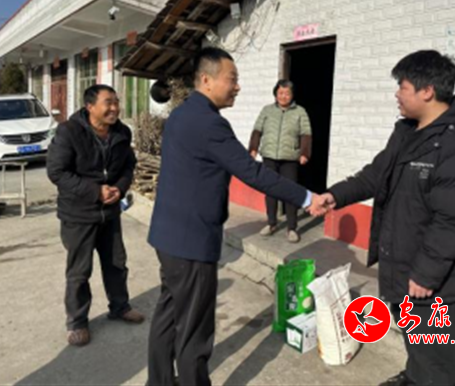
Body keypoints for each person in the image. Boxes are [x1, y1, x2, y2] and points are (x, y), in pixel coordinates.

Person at [310, 50, 455, 386]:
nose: (397, 94)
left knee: (436, 358)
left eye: (403, 87)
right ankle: (414, 376)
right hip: (406, 263)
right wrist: (335, 195)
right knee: (416, 338)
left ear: (427, 91)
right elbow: (376, 174)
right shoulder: (407, 133)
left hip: (441, 280)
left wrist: (426, 272)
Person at [146, 47, 321, 386]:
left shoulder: (181, 114)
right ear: (207, 80)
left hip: (168, 237)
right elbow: (252, 173)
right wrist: (306, 197)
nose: (237, 86)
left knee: (168, 314)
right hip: (192, 241)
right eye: (233, 79)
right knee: (194, 331)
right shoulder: (210, 123)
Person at [47, 84, 145, 347]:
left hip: (109, 212)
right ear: (90, 106)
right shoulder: (69, 131)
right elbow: (57, 172)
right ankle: (77, 322)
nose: (114, 108)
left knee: (116, 263)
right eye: (108, 102)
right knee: (79, 271)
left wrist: (119, 188)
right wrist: (95, 191)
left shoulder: (122, 132)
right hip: (78, 213)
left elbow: (128, 166)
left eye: (116, 102)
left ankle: (120, 307)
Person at [248, 79, 312, 243]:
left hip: (289, 158)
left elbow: (306, 133)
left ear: (292, 95)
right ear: (275, 94)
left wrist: (304, 153)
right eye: (280, 93)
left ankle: (292, 228)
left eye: (287, 93)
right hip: (269, 156)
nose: (284, 96)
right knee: (270, 191)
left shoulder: (300, 112)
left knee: (290, 192)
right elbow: (257, 130)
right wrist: (253, 149)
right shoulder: (267, 110)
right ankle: (271, 223)